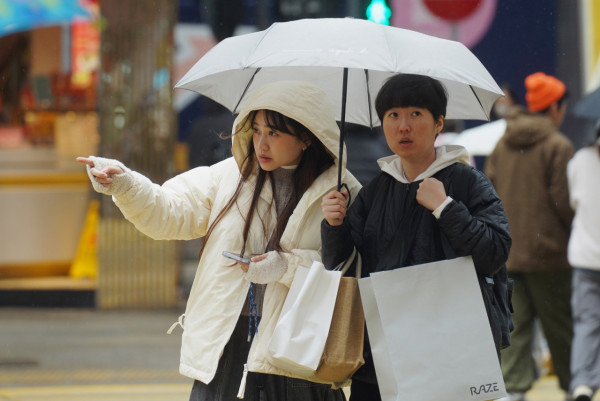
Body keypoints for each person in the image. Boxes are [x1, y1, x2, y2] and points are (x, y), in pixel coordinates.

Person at [77, 80, 361, 401]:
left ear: (307, 137)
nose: (261, 144)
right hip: (229, 336)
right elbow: (170, 210)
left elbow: (349, 272)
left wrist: (285, 267)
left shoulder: (339, 191)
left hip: (299, 343)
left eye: (274, 133)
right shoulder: (232, 175)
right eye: (256, 130)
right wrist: (125, 184)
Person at [321, 73, 512, 401]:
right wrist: (334, 225)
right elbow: (341, 264)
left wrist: (447, 208)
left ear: (439, 123)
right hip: (385, 345)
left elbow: (495, 253)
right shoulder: (374, 192)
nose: (403, 126)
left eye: (415, 114)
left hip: (454, 344)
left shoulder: (467, 182)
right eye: (393, 115)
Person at [485, 72, 575, 401]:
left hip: (509, 255)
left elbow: (489, 193)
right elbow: (564, 202)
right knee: (561, 331)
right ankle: (573, 388)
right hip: (551, 256)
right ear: (554, 108)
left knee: (516, 331)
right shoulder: (559, 146)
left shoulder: (502, 145)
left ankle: (514, 393)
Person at [567, 124, 600, 401]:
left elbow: (574, 201)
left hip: (585, 257)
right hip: (586, 258)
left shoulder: (580, 160)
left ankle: (582, 383)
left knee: (587, 322)